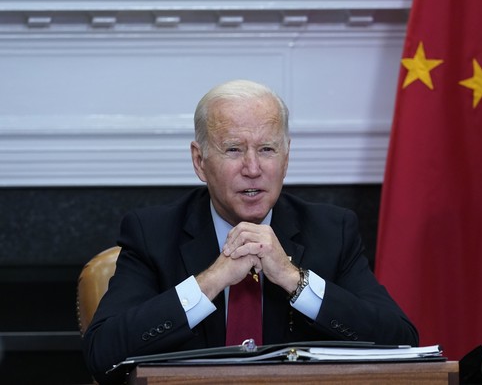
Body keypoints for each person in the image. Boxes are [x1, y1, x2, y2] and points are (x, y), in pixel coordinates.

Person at [82, 79, 418, 383]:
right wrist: (211, 280)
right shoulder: (152, 233)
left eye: (267, 150)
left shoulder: (332, 231)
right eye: (234, 149)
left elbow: (400, 340)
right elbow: (103, 352)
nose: (253, 169)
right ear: (200, 161)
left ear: (286, 159)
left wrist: (293, 279)